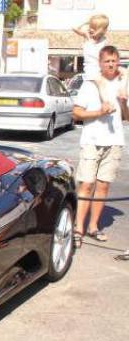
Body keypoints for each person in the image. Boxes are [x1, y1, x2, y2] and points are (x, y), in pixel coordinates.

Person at [72, 45, 129, 246]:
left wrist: (123, 103)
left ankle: (93, 227)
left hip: (114, 142)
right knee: (86, 185)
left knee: (103, 186)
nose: (111, 64)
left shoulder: (124, 84)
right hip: (92, 141)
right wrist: (99, 113)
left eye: (114, 61)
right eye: (107, 61)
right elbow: (76, 113)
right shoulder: (90, 85)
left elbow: (127, 118)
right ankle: (78, 228)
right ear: (100, 63)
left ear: (118, 62)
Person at [73, 14, 127, 102]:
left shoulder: (104, 41)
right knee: (100, 83)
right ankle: (106, 103)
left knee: (124, 71)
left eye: (94, 28)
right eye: (90, 27)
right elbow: (74, 27)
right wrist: (87, 21)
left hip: (102, 69)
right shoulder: (87, 37)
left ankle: (122, 92)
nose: (91, 29)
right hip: (91, 70)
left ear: (102, 30)